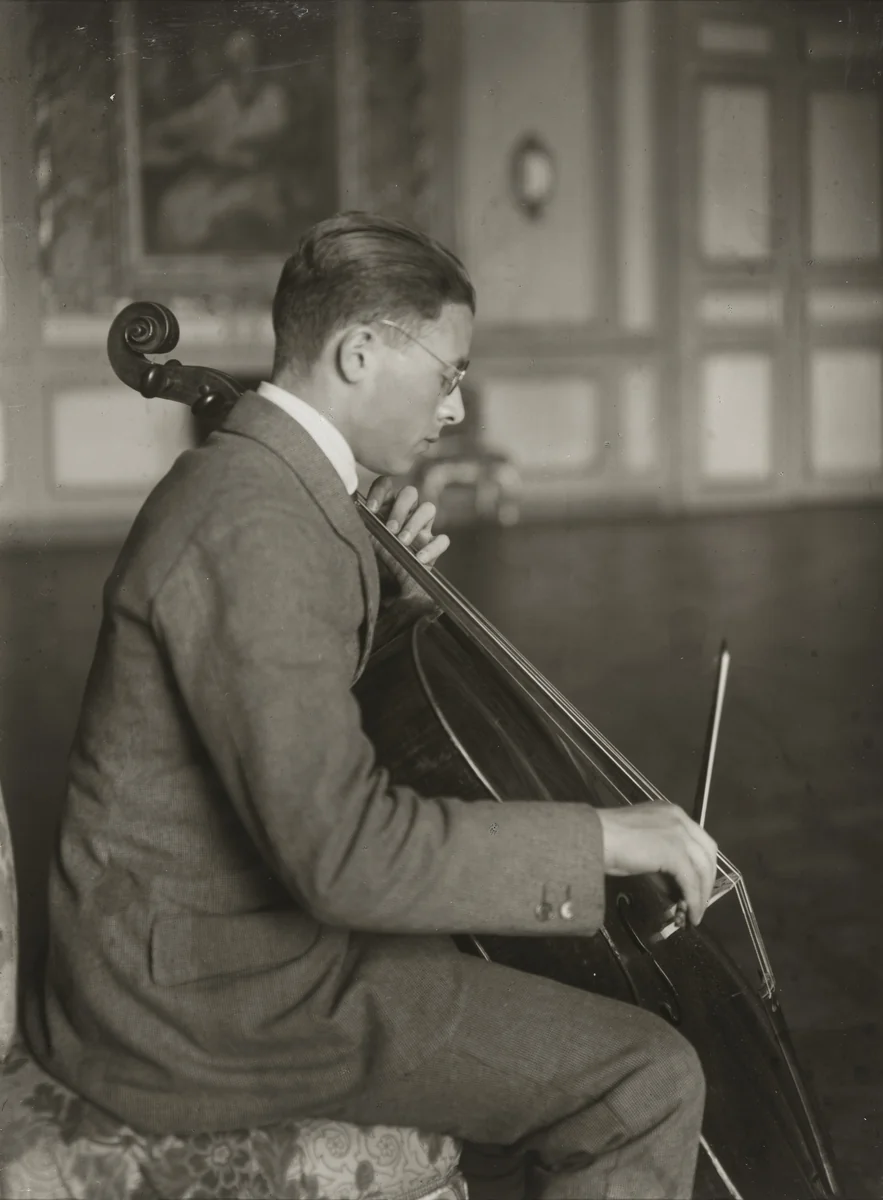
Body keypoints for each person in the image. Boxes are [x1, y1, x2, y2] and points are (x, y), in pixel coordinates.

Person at [24, 212, 718, 1199]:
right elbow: (343, 856)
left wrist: (387, 610)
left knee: (508, 971)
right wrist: (602, 839)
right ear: (356, 353)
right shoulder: (259, 522)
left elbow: (275, 710)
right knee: (642, 1079)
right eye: (448, 374)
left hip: (200, 948)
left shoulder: (269, 484)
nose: (455, 409)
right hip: (200, 1005)